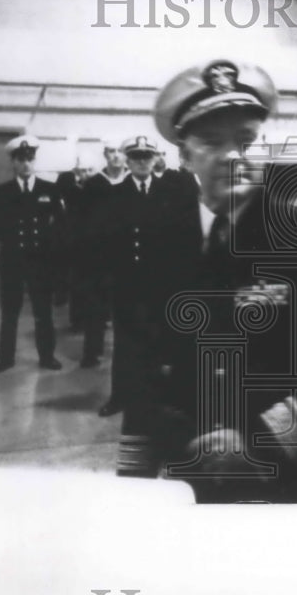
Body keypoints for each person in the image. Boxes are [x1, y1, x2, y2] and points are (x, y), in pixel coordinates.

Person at [119, 58, 297, 503]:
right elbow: (140, 366)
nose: (232, 156)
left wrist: (258, 442)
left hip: (289, 478)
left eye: (245, 141)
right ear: (184, 156)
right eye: (211, 142)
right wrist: (137, 477)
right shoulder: (159, 242)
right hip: (191, 473)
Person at [96, 135, 175, 417]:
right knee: (125, 344)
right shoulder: (116, 195)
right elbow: (105, 241)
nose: (142, 162)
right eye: (136, 157)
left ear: (155, 159)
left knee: (158, 340)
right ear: (127, 161)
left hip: (159, 283)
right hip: (126, 283)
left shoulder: (168, 193)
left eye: (147, 156)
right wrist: (109, 280)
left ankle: (155, 398)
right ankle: (120, 397)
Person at [0, 135, 66, 373]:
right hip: (12, 260)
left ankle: (47, 356)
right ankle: (5, 358)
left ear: (35, 160)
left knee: (43, 312)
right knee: (10, 312)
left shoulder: (49, 189)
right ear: (13, 162)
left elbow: (60, 223)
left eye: (30, 158)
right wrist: (14, 242)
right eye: (20, 159)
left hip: (40, 261)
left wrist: (46, 244)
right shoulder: (3, 191)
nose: (25, 164)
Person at [81, 140, 128, 368]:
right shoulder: (93, 185)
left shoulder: (133, 182)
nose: (116, 156)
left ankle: (128, 356)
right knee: (96, 309)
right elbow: (83, 220)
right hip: (98, 258)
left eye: (120, 152)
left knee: (127, 310)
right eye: (112, 152)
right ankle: (93, 352)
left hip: (128, 257)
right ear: (105, 155)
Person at [55, 157, 92, 331]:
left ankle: (79, 319)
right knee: (75, 283)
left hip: (75, 243)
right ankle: (77, 318)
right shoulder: (72, 194)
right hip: (69, 243)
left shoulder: (78, 196)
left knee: (77, 283)